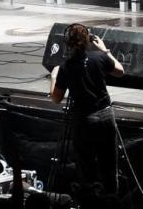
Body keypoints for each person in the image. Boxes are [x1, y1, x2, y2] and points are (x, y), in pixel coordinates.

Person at [50, 23, 124, 194]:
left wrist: (54, 77)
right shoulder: (100, 58)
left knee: (86, 168)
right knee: (109, 167)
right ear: (88, 40)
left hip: (84, 120)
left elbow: (56, 98)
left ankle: (89, 201)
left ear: (67, 43)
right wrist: (105, 50)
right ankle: (112, 201)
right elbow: (120, 71)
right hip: (105, 116)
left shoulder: (66, 67)